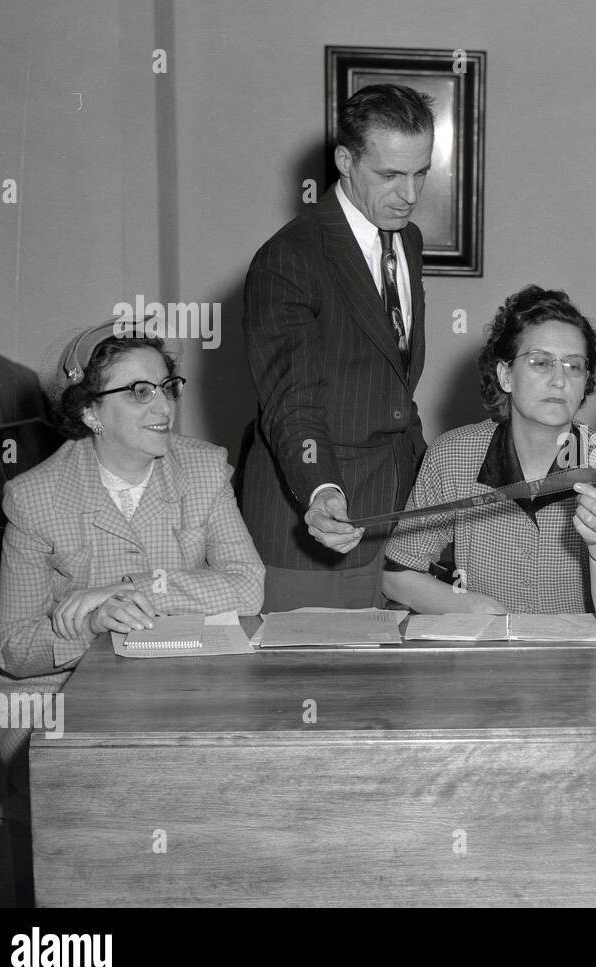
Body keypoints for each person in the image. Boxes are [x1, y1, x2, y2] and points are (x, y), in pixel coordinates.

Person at [0, 320, 264, 890]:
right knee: (98, 804)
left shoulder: (205, 468)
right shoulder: (36, 498)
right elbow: (14, 646)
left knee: (234, 782)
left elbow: (247, 586)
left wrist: (135, 589)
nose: (163, 404)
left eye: (167, 385)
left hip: (178, 672)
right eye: (139, 391)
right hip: (51, 690)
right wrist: (88, 622)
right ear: (90, 412)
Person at [242, 83, 434, 610]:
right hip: (315, 527)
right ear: (345, 161)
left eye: (421, 173)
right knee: (315, 689)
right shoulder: (289, 259)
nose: (409, 194)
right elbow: (291, 402)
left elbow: (393, 384)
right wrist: (322, 489)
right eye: (390, 175)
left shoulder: (406, 240)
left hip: (393, 518)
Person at [384, 286, 596, 628]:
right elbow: (395, 575)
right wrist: (467, 607)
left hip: (583, 665)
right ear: (505, 375)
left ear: (586, 382)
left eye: (574, 366)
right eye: (541, 362)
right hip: (485, 660)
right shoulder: (451, 457)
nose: (559, 380)